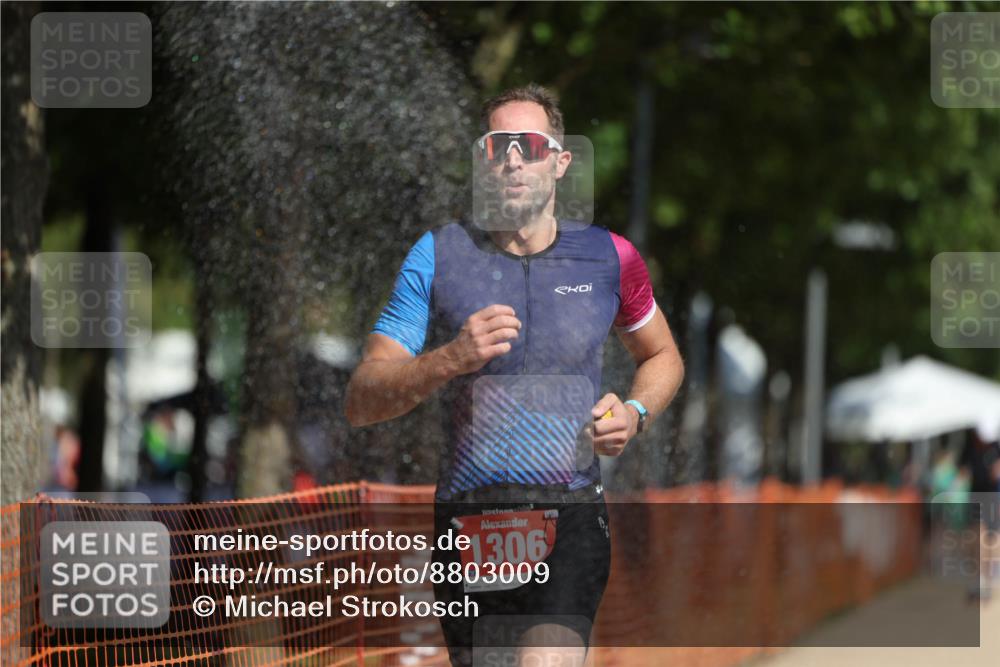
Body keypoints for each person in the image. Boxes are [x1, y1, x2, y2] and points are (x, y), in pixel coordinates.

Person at [345, 83, 684, 666]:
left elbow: (662, 356)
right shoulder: (438, 255)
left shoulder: (610, 258)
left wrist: (634, 412)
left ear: (559, 161)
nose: (512, 158)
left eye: (528, 144)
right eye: (497, 145)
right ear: (482, 160)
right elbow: (362, 398)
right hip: (468, 526)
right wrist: (451, 357)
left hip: (570, 514)